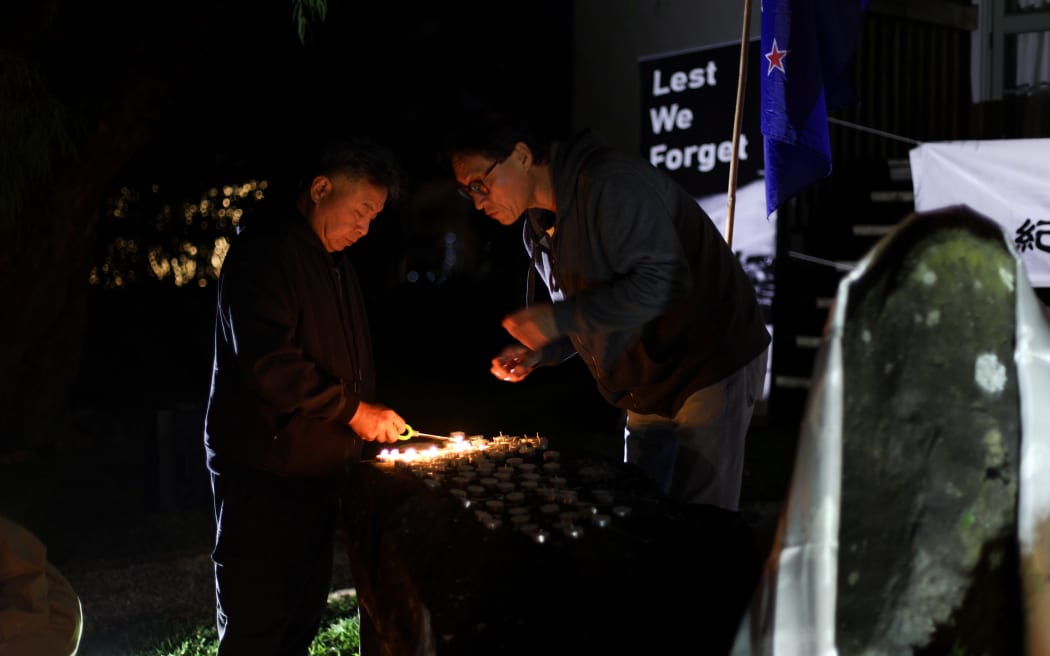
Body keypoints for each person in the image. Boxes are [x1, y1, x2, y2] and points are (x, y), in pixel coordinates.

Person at [443, 115, 771, 511]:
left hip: (708, 358)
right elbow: (595, 313)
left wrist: (556, 320)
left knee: (701, 519)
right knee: (639, 506)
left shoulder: (613, 186)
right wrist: (545, 350)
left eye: (480, 184)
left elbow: (661, 284)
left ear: (522, 156)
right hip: (645, 379)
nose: (478, 202)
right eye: (467, 192)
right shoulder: (538, 226)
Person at [203, 136, 409, 655]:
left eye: (374, 217)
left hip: (315, 475)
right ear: (321, 188)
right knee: (260, 625)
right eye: (361, 210)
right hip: (267, 474)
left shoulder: (330, 261)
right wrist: (354, 411)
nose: (365, 227)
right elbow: (270, 364)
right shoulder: (267, 251)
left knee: (298, 621)